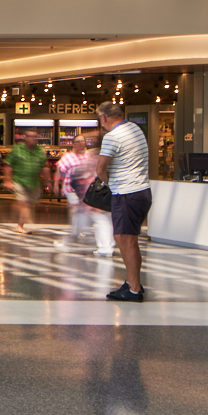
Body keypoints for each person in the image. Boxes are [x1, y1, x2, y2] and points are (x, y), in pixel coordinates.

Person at [95, 103, 151, 302]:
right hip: (140, 192)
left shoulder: (112, 136)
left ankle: (134, 289)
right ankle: (131, 282)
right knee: (122, 238)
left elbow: (100, 169)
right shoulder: (135, 128)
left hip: (127, 193)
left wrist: (110, 185)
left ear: (104, 118)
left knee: (127, 241)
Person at [55, 132, 114, 256]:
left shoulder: (93, 156)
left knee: (90, 219)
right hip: (98, 193)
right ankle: (106, 246)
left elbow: (85, 175)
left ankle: (104, 247)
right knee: (100, 220)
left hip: (92, 194)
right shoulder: (104, 155)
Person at [3, 126, 52, 233]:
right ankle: (20, 226)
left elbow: (44, 166)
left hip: (34, 182)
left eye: (36, 137)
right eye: (32, 137)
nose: (34, 139)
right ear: (25, 137)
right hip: (19, 180)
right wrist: (7, 180)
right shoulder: (18, 149)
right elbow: (8, 165)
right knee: (25, 203)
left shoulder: (39, 151)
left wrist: (48, 180)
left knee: (29, 204)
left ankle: (19, 219)